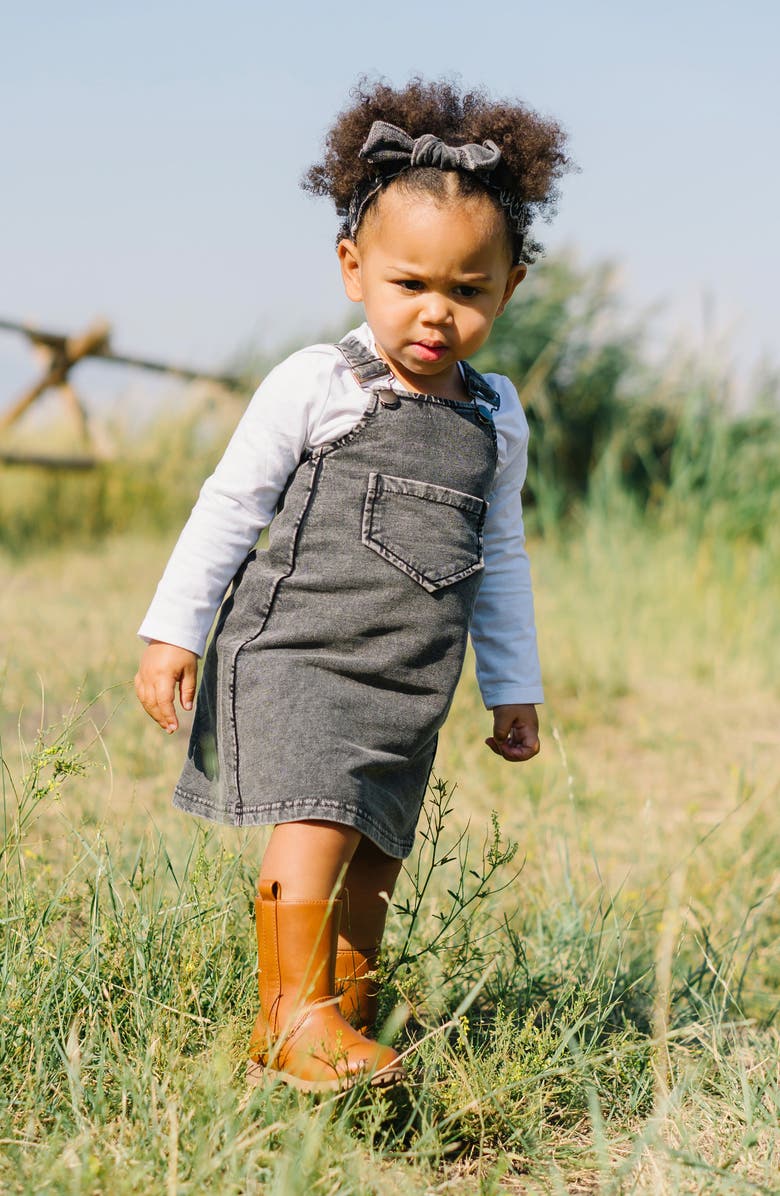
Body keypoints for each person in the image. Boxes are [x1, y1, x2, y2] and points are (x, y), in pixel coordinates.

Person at [135, 77, 570, 1093]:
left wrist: (514, 684)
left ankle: (342, 1014)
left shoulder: (497, 416)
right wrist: (174, 631)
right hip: (299, 650)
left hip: (409, 675)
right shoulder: (318, 384)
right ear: (352, 268)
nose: (436, 312)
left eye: (468, 291)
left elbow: (498, 554)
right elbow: (229, 505)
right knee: (321, 813)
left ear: (507, 289)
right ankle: (291, 1013)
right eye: (410, 282)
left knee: (377, 841)